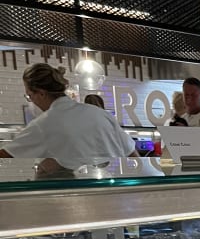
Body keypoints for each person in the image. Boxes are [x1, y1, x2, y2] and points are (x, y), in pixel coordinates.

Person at [0, 63, 135, 171]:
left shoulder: (43, 124)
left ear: (41, 93)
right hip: (118, 191)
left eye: (29, 96)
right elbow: (134, 156)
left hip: (77, 194)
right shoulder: (101, 114)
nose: (32, 101)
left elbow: (4, 156)